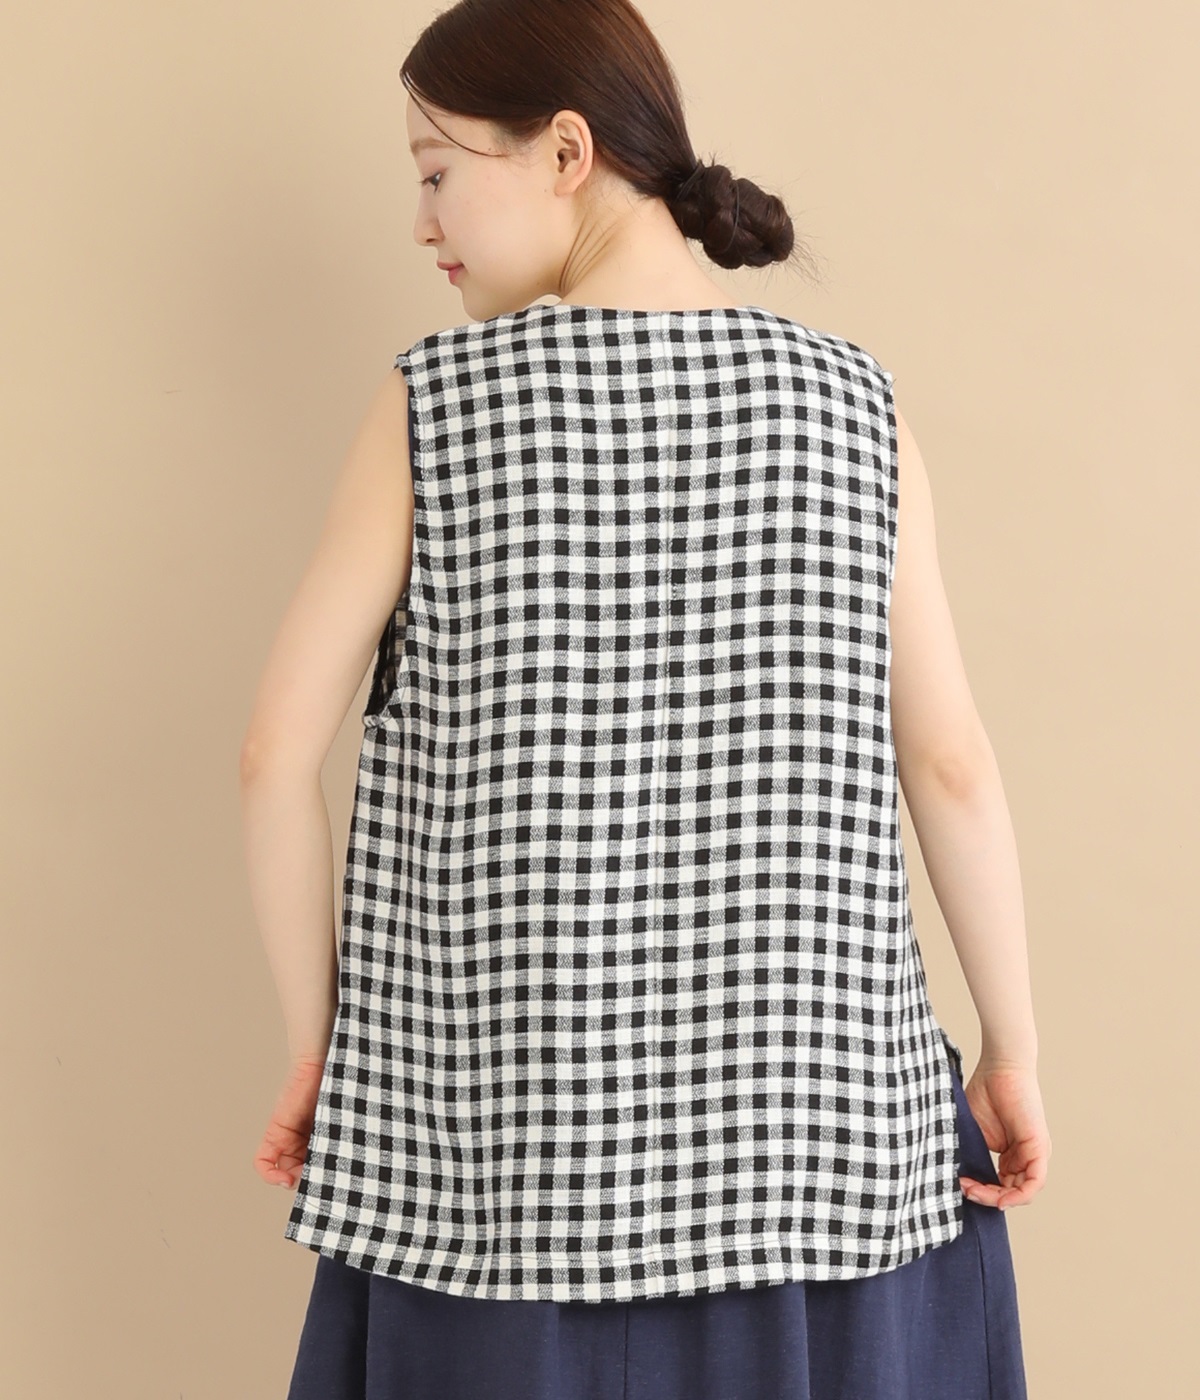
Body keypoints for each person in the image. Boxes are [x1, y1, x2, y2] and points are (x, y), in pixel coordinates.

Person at [239, 2, 1050, 1396]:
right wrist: (1011, 1050)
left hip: (502, 1170)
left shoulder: (439, 405)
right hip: (819, 1158)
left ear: (567, 151)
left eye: (436, 172)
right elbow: (953, 765)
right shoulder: (854, 405)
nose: (422, 223)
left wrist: (325, 1052)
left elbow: (273, 755)